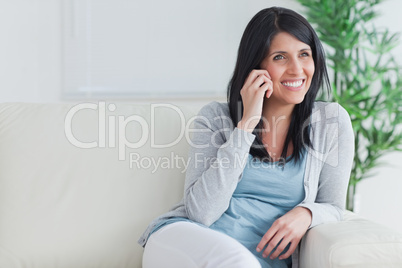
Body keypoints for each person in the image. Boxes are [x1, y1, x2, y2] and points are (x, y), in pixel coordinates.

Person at [138, 6, 354, 268]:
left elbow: (333, 206)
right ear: (257, 66)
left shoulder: (330, 122)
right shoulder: (216, 118)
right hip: (186, 244)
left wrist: (306, 213)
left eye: (304, 54)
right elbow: (201, 213)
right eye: (280, 57)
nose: (297, 69)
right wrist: (245, 125)